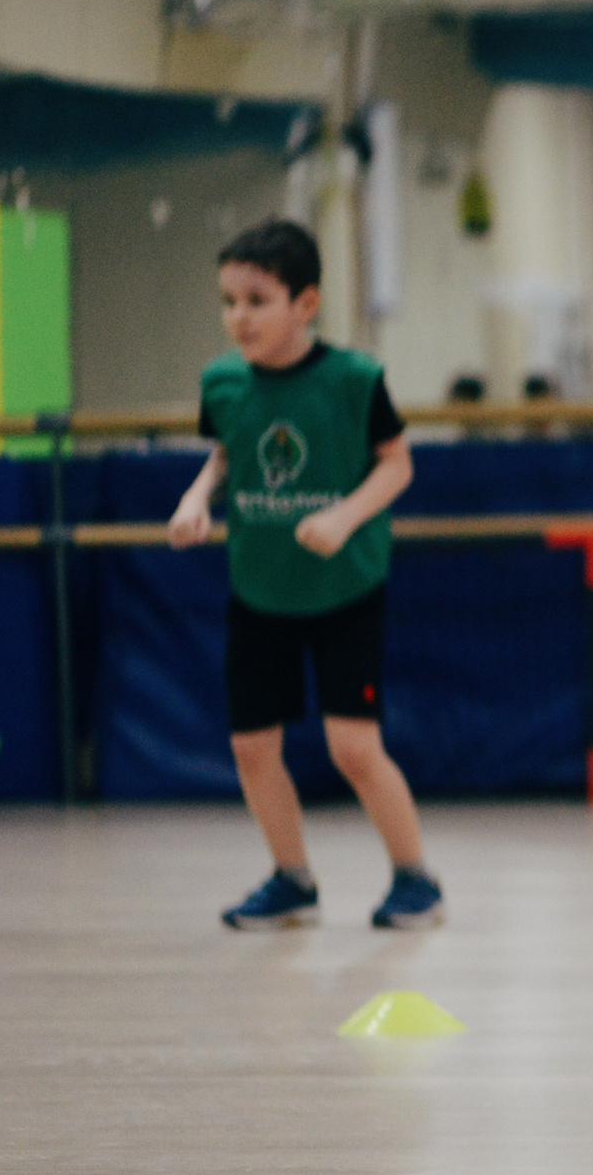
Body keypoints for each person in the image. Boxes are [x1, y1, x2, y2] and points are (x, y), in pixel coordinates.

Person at [167, 220, 442, 932]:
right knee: (251, 746)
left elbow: (398, 463)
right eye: (228, 301)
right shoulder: (222, 381)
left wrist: (345, 517)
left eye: (257, 300)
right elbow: (229, 456)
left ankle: (416, 879)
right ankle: (291, 878)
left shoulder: (355, 380)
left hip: (343, 588)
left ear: (306, 302)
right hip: (260, 588)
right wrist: (199, 497)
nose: (238, 317)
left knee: (354, 746)